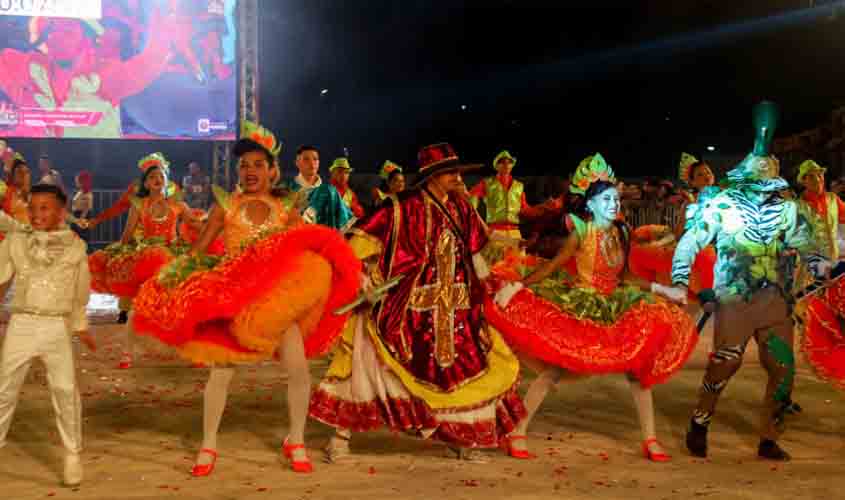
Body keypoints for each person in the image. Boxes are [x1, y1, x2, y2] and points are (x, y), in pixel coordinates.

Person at [130, 120, 360, 475]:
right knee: (220, 374)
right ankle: (208, 445)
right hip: (234, 299)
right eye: (243, 165)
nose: (249, 171)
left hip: (278, 301)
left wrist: (350, 262)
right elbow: (199, 250)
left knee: (298, 370)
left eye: (257, 164)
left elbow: (312, 241)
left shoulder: (287, 208)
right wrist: (172, 277)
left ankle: (295, 440)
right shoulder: (227, 205)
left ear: (272, 170)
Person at [311, 143, 526, 463]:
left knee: (468, 368)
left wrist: (489, 281)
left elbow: (475, 251)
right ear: (433, 177)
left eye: (457, 172)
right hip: (407, 305)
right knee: (370, 361)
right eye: (451, 172)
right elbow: (358, 241)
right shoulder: (400, 207)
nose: (457, 178)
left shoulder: (463, 208)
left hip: (457, 306)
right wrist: (364, 278)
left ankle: (461, 437)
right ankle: (340, 439)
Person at [484, 153, 698, 461]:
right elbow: (552, 266)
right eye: (607, 199)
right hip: (583, 306)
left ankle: (650, 439)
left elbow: (626, 277)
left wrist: (663, 289)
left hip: (615, 306)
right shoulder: (580, 233)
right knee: (554, 371)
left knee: (638, 371)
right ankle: (517, 431)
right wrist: (518, 285)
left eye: (615, 198)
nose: (614, 204)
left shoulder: (621, 233)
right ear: (591, 204)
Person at [657, 101, 828, 461]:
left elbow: (808, 245)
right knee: (725, 363)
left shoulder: (787, 209)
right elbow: (691, 240)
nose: (766, 190)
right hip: (735, 298)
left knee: (782, 368)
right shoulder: (721, 205)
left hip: (776, 301)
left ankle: (769, 436)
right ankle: (700, 420)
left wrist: (817, 265)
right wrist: (679, 276)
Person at [0, 184, 96, 487]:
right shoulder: (16, 242)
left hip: (56, 326)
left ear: (60, 211)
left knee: (65, 391)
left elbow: (80, 291)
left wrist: (80, 325)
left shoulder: (75, 246)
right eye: (33, 207)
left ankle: (72, 454)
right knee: (4, 388)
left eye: (45, 208)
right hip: (22, 322)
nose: (37, 213)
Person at [88, 153, 195, 369]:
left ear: (167, 181)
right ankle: (127, 353)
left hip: (172, 262)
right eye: (152, 177)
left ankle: (193, 353)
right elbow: (126, 235)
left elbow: (199, 228)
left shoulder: (178, 206)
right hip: (146, 261)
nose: (157, 179)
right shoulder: (139, 205)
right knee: (137, 310)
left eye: (161, 176)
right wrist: (117, 255)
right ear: (146, 183)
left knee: (182, 308)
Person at [469, 150, 541, 262]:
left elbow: (525, 209)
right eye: (502, 162)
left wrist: (542, 210)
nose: (506, 165)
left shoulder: (519, 186)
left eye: (509, 162)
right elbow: (471, 199)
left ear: (512, 165)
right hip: (496, 232)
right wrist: (474, 218)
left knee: (517, 269)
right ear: (496, 166)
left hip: (515, 232)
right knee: (495, 268)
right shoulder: (487, 183)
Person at [288, 145, 354, 230]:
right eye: (306, 159)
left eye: (315, 159)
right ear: (297, 163)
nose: (312, 163)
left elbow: (344, 218)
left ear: (319, 162)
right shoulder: (288, 189)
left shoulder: (331, 192)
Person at [70, 171, 94, 244]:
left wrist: (81, 218)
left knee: (82, 236)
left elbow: (86, 207)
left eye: (77, 180)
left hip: (81, 215)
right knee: (77, 236)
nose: (76, 181)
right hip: (77, 214)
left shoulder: (86, 193)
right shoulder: (81, 191)